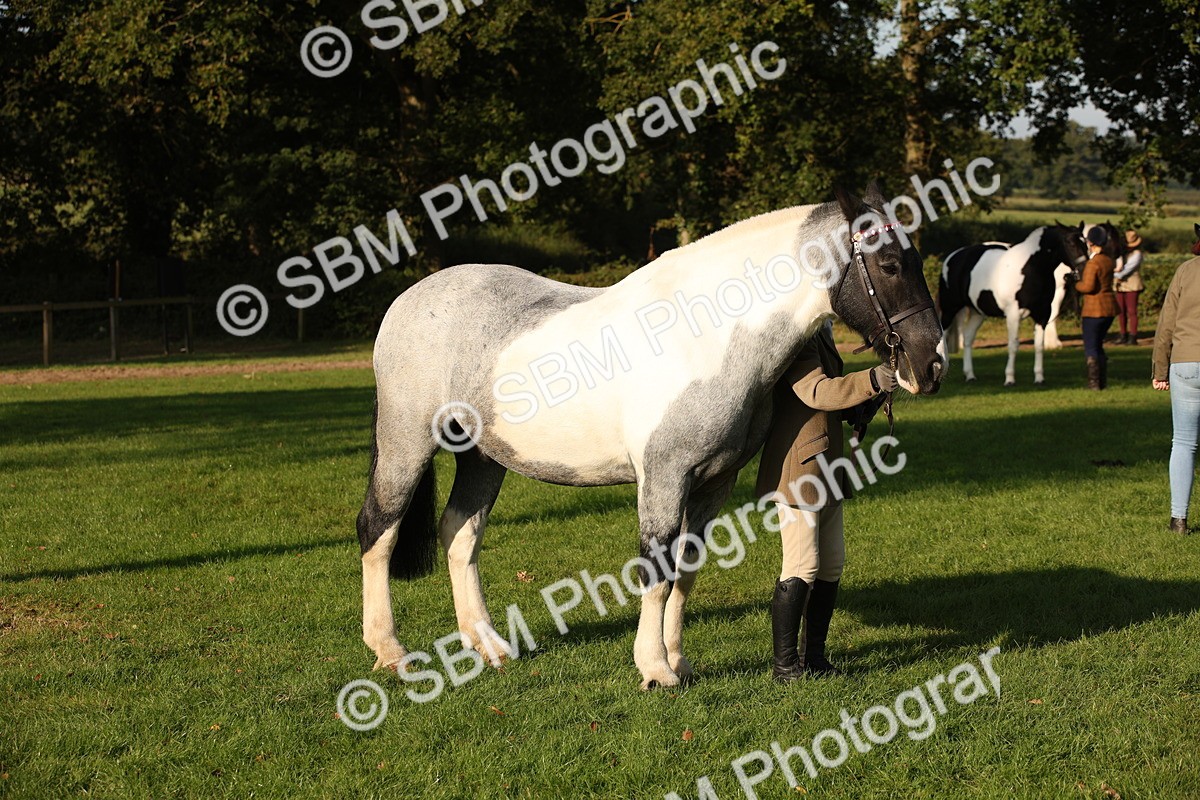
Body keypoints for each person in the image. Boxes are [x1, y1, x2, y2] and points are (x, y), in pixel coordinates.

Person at [756, 321, 895, 681]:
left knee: (831, 565)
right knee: (802, 565)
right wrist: (874, 380)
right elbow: (815, 391)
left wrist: (861, 406)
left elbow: (831, 399)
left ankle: (814, 658)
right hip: (799, 467)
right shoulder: (794, 330)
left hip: (827, 464)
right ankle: (785, 668)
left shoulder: (821, 328)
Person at [1152, 240, 1200, 534]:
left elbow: (1166, 325)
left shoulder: (1184, 271)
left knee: (1183, 443)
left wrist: (1160, 369)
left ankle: (1178, 520)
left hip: (1184, 363)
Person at [1076, 226, 1119, 390]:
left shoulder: (1093, 263)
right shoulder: (1108, 260)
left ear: (1090, 243)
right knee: (1099, 344)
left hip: (1094, 309)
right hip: (1109, 307)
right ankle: (1102, 381)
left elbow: (1087, 287)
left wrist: (1075, 283)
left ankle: (1094, 383)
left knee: (1091, 346)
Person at [1114, 230, 1145, 345]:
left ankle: (1133, 335)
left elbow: (1127, 270)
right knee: (1121, 311)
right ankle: (1123, 334)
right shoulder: (1122, 253)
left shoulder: (1137, 254)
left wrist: (1113, 273)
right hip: (1120, 284)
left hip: (1132, 283)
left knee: (1132, 311)